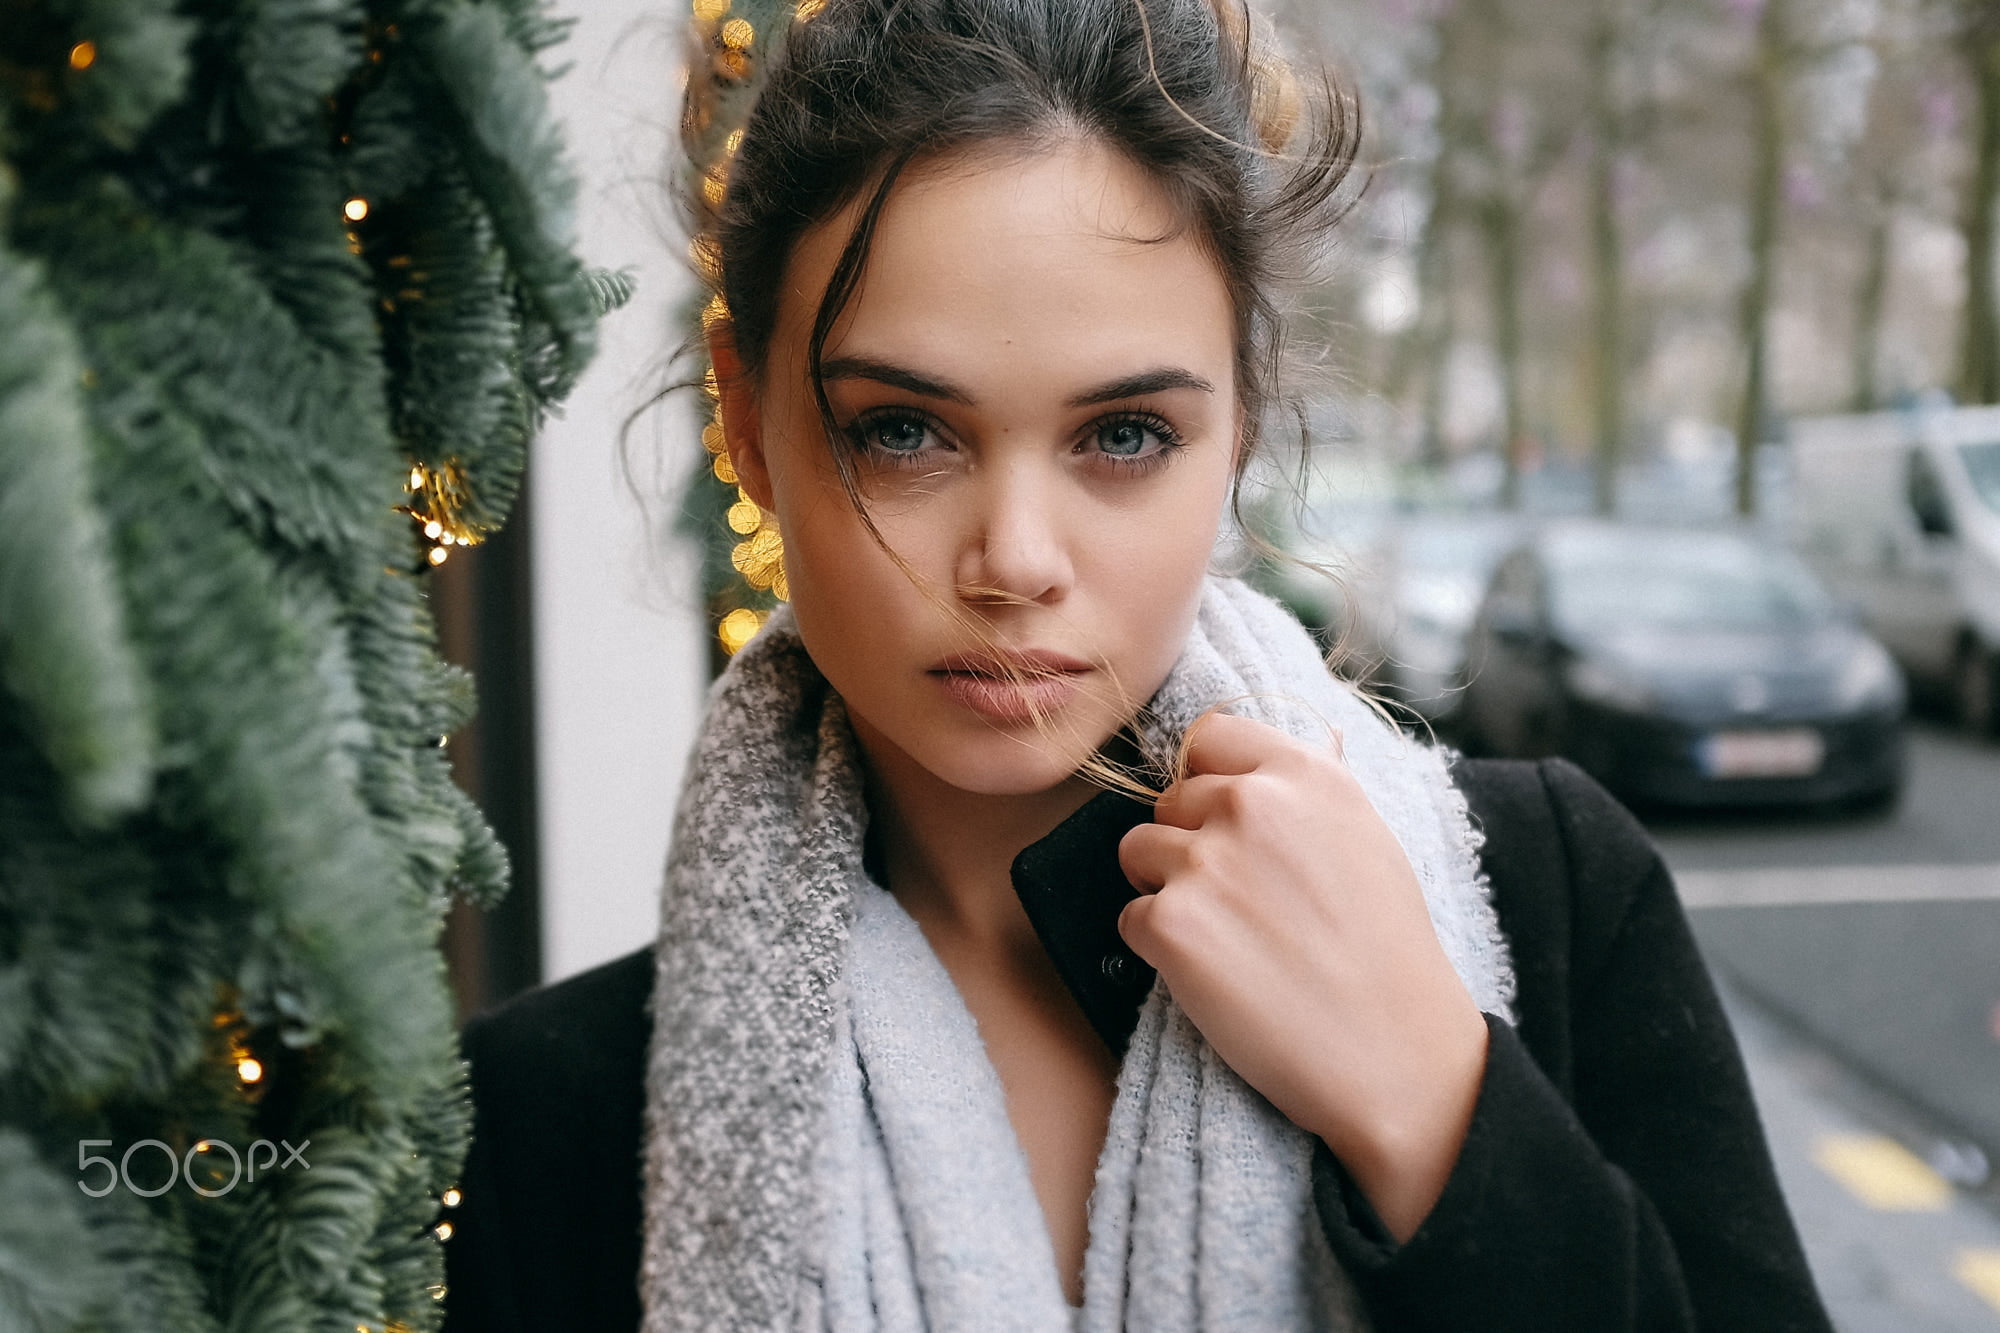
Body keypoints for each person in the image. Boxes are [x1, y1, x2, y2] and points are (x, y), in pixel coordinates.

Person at [441, 1, 1834, 1329]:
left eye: (1122, 437)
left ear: (1239, 424)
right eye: (903, 431)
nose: (1014, 558)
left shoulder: (1559, 900)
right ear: (748, 425)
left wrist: (1432, 1096)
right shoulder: (550, 1117)